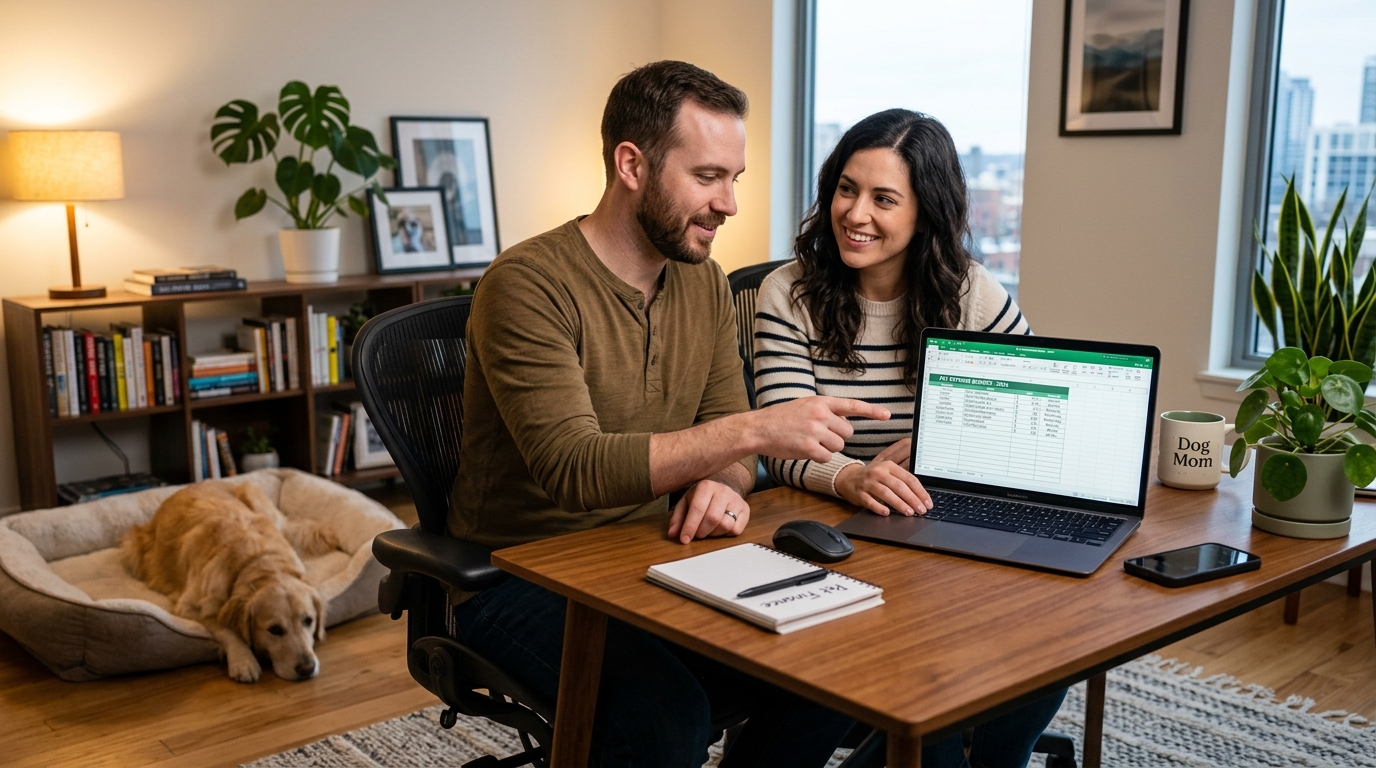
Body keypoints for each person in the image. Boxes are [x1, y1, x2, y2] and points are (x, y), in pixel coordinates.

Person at [449, 61, 881, 767]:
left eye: (734, 178)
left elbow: (732, 447)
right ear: (631, 165)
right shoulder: (526, 285)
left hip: (657, 552)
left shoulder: (702, 282)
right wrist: (755, 431)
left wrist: (727, 479)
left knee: (823, 657)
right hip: (519, 575)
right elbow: (574, 470)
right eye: (708, 177)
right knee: (664, 716)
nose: (730, 203)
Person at [754, 109, 1064, 768]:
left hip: (939, 525)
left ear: (925, 214)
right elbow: (782, 439)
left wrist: (932, 446)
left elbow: (1026, 410)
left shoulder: (971, 293)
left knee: (1052, 637)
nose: (855, 212)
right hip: (832, 533)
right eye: (846, 188)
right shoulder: (789, 293)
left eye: (884, 199)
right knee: (932, 697)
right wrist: (852, 476)